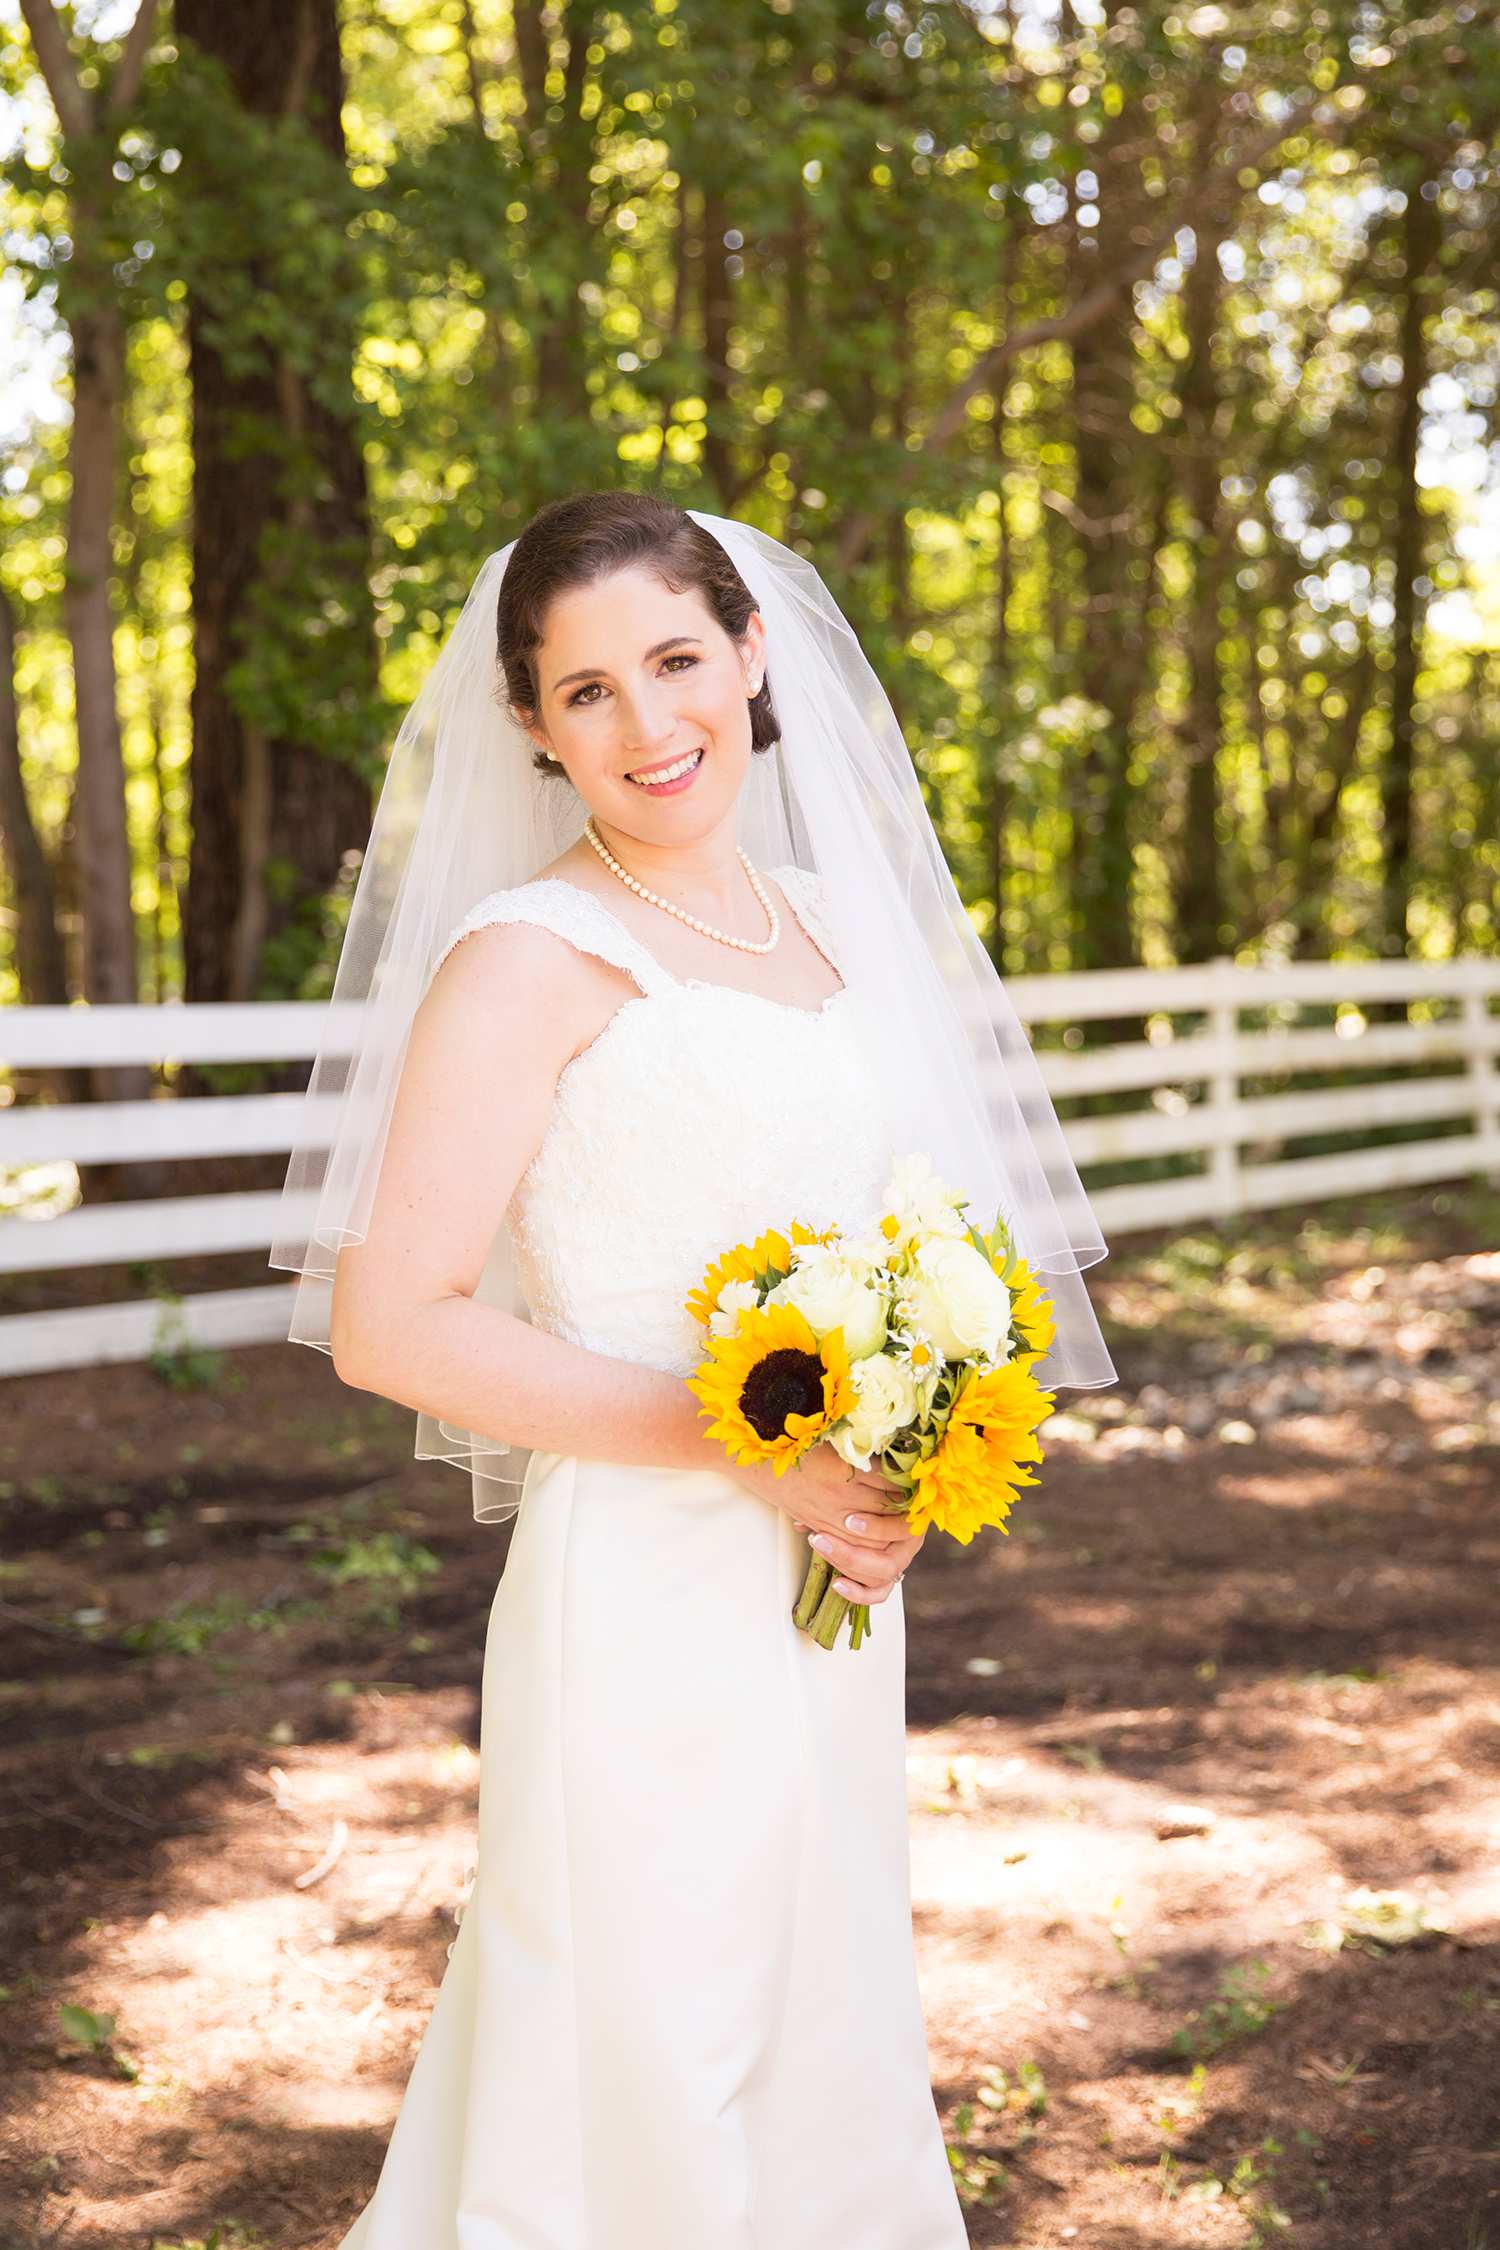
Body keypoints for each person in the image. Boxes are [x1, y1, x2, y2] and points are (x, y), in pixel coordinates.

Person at [273, 493, 1114, 2249]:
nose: (650, 726)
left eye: (674, 659)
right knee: (649, 2045)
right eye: (586, 692)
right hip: (640, 1590)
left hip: (828, 1571)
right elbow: (393, 1322)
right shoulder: (527, 960)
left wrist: (898, 1450)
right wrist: (741, 1451)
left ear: (749, 650)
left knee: (819, 2021)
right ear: (530, 724)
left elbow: (905, 1243)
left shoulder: (831, 925)